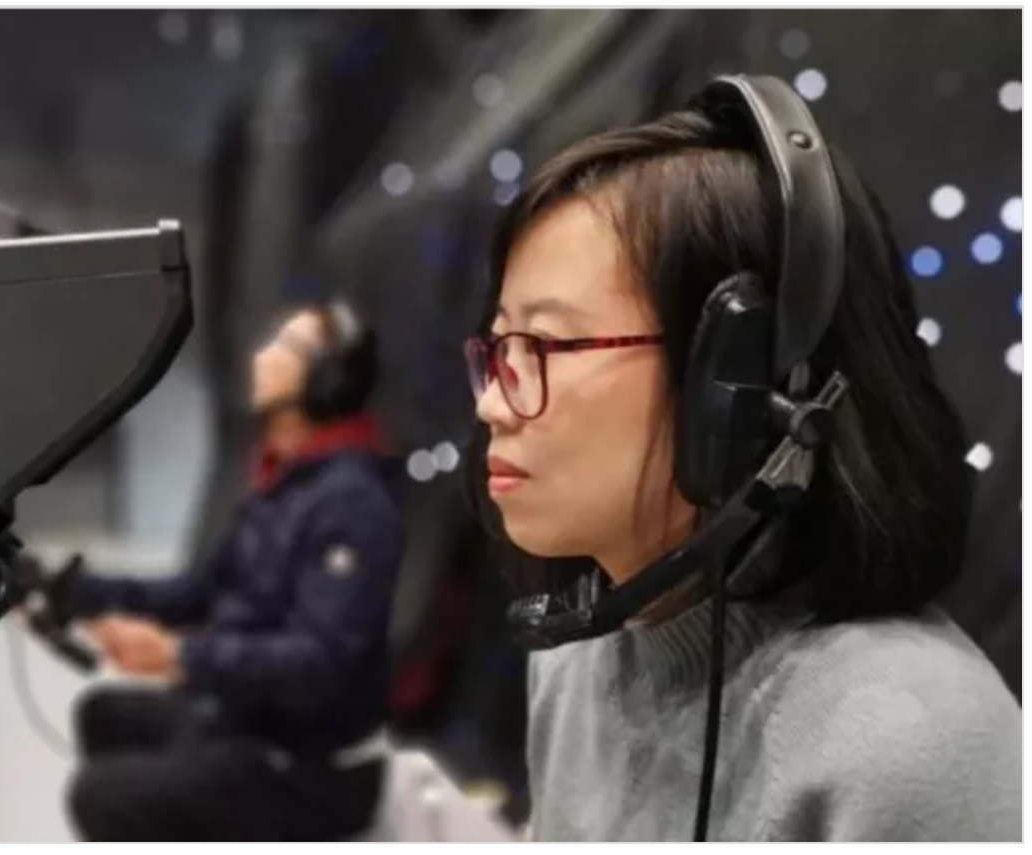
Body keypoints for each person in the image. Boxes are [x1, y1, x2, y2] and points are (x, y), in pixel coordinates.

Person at [463, 76, 1021, 841]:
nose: (492, 404)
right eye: (501, 348)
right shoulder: (575, 661)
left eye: (547, 345)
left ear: (735, 382)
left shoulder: (918, 745)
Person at [55, 300, 405, 842]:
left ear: (325, 380)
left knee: (101, 796)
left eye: (285, 345)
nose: (262, 354)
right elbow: (198, 592)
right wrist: (80, 592)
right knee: (104, 714)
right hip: (247, 719)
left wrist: (182, 656)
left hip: (311, 768)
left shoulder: (351, 503)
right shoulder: (283, 481)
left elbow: (320, 664)